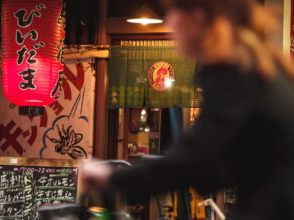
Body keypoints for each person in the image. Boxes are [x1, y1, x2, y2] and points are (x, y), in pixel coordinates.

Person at [83, 0, 294, 219]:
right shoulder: (262, 65)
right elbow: (214, 166)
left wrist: (111, 177)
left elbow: (193, 158)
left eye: (172, 13)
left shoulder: (233, 71)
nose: (170, 23)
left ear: (198, 15)